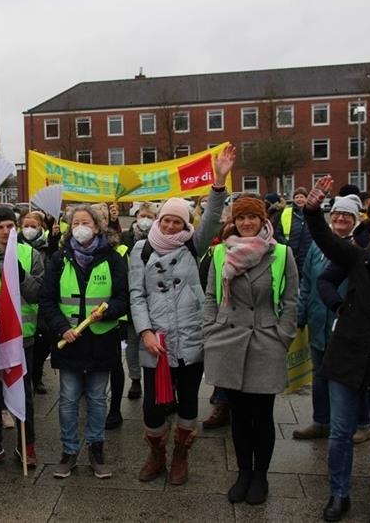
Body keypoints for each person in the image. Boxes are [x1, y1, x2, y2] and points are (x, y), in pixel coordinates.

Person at [129, 146, 233, 486]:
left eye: (178, 220)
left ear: (186, 223)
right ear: (158, 220)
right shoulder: (140, 249)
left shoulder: (193, 244)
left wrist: (218, 180)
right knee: (153, 407)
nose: (172, 225)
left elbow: (214, 216)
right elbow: (136, 294)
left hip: (190, 337)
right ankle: (156, 453)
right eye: (167, 219)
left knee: (188, 401)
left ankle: (180, 455)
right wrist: (144, 331)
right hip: (154, 341)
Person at [304, 177, 370, 523]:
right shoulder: (358, 259)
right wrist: (312, 210)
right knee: (340, 433)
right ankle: (338, 493)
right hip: (346, 360)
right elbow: (325, 239)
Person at [203, 195, 298, 505]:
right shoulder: (219, 253)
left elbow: (293, 299)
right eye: (241, 218)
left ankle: (261, 475)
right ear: (234, 221)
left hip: (265, 340)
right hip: (228, 340)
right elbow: (209, 296)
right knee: (240, 415)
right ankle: (243, 473)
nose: (246, 223)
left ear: (263, 221)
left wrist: (283, 334)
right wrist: (210, 328)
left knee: (263, 414)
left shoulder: (281, 253)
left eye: (252, 218)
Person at [39, 204, 129, 480]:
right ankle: (69, 451)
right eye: (75, 222)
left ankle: (96, 448)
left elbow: (123, 297)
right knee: (67, 400)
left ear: (97, 227)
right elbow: (47, 300)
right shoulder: (58, 259)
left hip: (102, 341)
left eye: (86, 222)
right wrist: (62, 328)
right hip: (70, 342)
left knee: (98, 399)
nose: (80, 227)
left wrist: (108, 311)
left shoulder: (113, 259)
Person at [0, 206, 44, 469]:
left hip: (20, 337)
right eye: (0, 226)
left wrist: (21, 275)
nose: (5, 232)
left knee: (22, 393)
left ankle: (26, 445)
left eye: (9, 226)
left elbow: (38, 293)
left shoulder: (30, 254)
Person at [293, 196, 364, 441]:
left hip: (346, 325)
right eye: (336, 213)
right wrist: (301, 313)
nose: (340, 218)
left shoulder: (358, 249)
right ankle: (321, 421)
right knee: (319, 376)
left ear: (355, 219)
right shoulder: (316, 246)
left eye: (347, 215)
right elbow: (306, 281)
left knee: (350, 378)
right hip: (317, 322)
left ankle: (359, 424)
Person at [19, 211, 60, 396]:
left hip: (43, 301)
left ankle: (37, 376)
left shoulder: (46, 245)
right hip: (25, 304)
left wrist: (53, 240)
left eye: (33, 226)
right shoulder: (15, 246)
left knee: (42, 344)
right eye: (25, 226)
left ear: (40, 228)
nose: (28, 229)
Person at [120, 202, 157, 401]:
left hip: (155, 300)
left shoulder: (161, 239)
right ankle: (135, 379)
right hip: (132, 298)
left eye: (150, 216)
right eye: (143, 215)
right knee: (133, 342)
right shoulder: (125, 239)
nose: (145, 220)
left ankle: (159, 379)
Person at [275, 187, 312, 275]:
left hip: (308, 251)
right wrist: (286, 243)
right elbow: (278, 233)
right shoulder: (286, 212)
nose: (299, 199)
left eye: (302, 197)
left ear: (306, 198)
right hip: (291, 252)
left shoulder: (313, 213)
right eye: (297, 197)